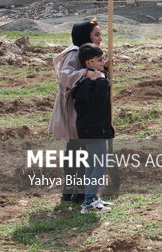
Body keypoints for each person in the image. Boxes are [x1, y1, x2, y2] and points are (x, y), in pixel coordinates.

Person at [49, 19, 103, 202]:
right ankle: (73, 190)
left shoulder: (88, 53)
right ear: (84, 35)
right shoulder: (74, 53)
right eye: (96, 34)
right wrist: (86, 73)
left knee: (79, 149)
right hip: (74, 108)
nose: (100, 38)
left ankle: (76, 190)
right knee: (77, 149)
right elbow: (64, 76)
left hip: (82, 108)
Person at [72, 43, 115, 214]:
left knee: (92, 164)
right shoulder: (86, 84)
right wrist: (103, 81)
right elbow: (98, 101)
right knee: (100, 165)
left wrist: (103, 71)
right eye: (99, 60)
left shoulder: (93, 79)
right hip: (93, 130)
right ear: (89, 63)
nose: (102, 62)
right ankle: (88, 203)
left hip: (94, 129)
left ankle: (92, 197)